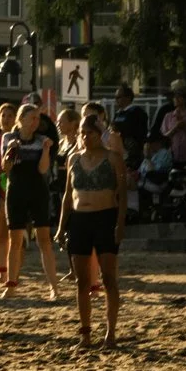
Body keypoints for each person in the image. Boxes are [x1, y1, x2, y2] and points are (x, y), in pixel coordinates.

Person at [58, 103, 128, 347]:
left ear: (100, 135)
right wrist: (61, 226)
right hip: (79, 219)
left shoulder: (113, 158)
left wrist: (120, 224)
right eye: (83, 134)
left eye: (91, 133)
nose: (86, 137)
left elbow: (122, 193)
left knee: (109, 278)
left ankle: (110, 333)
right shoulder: (73, 158)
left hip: (105, 217)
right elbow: (68, 195)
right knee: (81, 280)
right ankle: (85, 333)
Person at [0, 101, 61, 301]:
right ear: (21, 119)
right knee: (15, 240)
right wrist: (11, 149)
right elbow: (5, 168)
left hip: (37, 190)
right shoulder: (9, 137)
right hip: (16, 190)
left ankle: (53, 287)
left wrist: (45, 151)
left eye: (38, 118)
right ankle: (11, 285)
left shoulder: (43, 139)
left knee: (44, 239)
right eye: (32, 118)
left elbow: (43, 170)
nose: (36, 122)